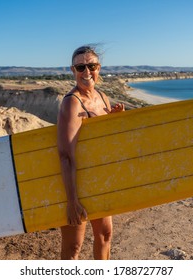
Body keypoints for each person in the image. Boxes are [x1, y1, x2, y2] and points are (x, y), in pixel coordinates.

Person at [57, 45, 125, 260]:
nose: (86, 72)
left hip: (99, 181)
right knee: (73, 247)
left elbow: (103, 142)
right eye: (80, 66)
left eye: (92, 66)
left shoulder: (103, 97)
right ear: (73, 70)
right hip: (76, 183)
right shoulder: (71, 103)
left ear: (99, 68)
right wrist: (71, 201)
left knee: (105, 235)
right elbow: (66, 155)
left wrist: (115, 119)